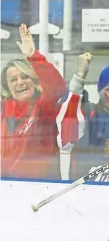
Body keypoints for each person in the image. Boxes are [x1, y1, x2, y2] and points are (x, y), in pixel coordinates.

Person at [0, 24, 67, 179]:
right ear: (7, 87)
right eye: (13, 80)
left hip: (39, 187)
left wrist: (33, 55)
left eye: (25, 77)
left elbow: (57, 87)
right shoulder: (3, 110)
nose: (20, 82)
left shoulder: (43, 106)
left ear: (36, 82)